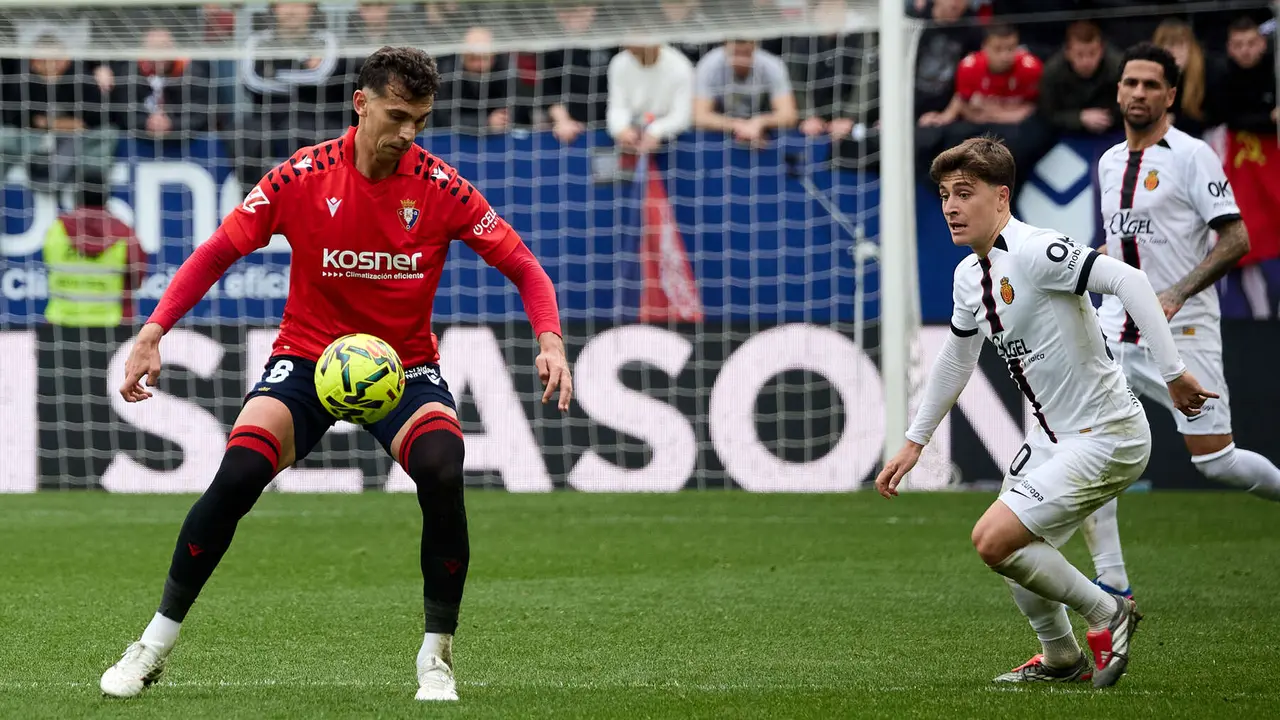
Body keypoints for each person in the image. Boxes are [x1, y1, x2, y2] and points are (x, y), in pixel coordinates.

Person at [98, 46, 573, 703]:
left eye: (421, 119)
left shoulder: (442, 189)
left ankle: (436, 657)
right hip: (308, 359)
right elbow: (216, 252)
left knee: (442, 466)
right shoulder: (301, 175)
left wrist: (548, 339)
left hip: (403, 367)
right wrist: (152, 333)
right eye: (398, 115)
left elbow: (524, 265)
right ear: (362, 103)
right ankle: (152, 645)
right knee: (237, 473)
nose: (409, 133)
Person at [876, 136, 1216, 687]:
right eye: (944, 195)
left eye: (965, 193)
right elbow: (956, 360)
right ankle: (1060, 658)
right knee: (1012, 546)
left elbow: (1127, 280)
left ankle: (1110, 612)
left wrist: (1174, 373)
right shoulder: (969, 276)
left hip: (1108, 434)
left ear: (1002, 197)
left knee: (994, 538)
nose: (951, 207)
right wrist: (915, 442)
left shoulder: (1037, 250)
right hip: (1057, 438)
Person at [1081, 42, 1280, 601]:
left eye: (1151, 85)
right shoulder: (1108, 161)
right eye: (1130, 83)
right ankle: (1114, 583)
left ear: (1170, 95)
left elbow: (1236, 237)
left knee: (1217, 462)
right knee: (1087, 444)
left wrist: (1175, 292)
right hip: (1112, 329)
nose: (1139, 93)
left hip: (1182, 328)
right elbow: (1120, 243)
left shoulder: (1191, 156)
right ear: (1118, 90)